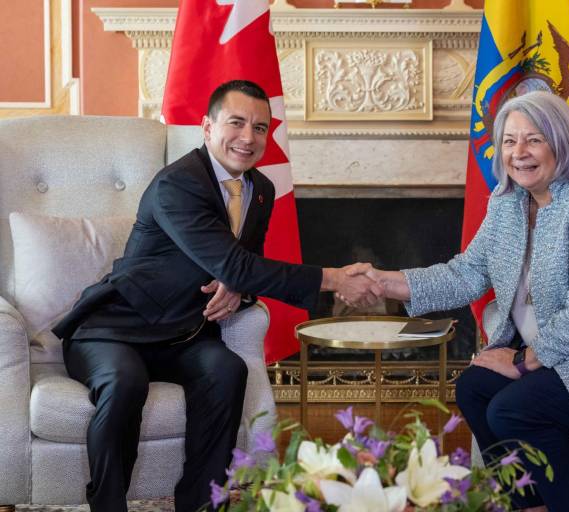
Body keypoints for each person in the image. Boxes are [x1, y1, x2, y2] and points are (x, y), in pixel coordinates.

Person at [344, 91, 569, 511]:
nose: (519, 153)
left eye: (534, 139)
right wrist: (387, 283)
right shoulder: (506, 202)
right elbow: (466, 273)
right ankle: (529, 505)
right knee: (474, 388)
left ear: (560, 143)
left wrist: (518, 361)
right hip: (560, 357)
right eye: (509, 141)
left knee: (513, 411)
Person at [52, 80, 381, 512]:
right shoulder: (177, 184)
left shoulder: (260, 190)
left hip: (183, 333)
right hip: (117, 328)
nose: (248, 138)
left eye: (261, 128)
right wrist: (334, 279)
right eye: (237, 122)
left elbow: (246, 266)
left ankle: (202, 503)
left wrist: (240, 287)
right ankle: (108, 504)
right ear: (207, 127)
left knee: (226, 369)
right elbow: (237, 265)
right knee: (125, 383)